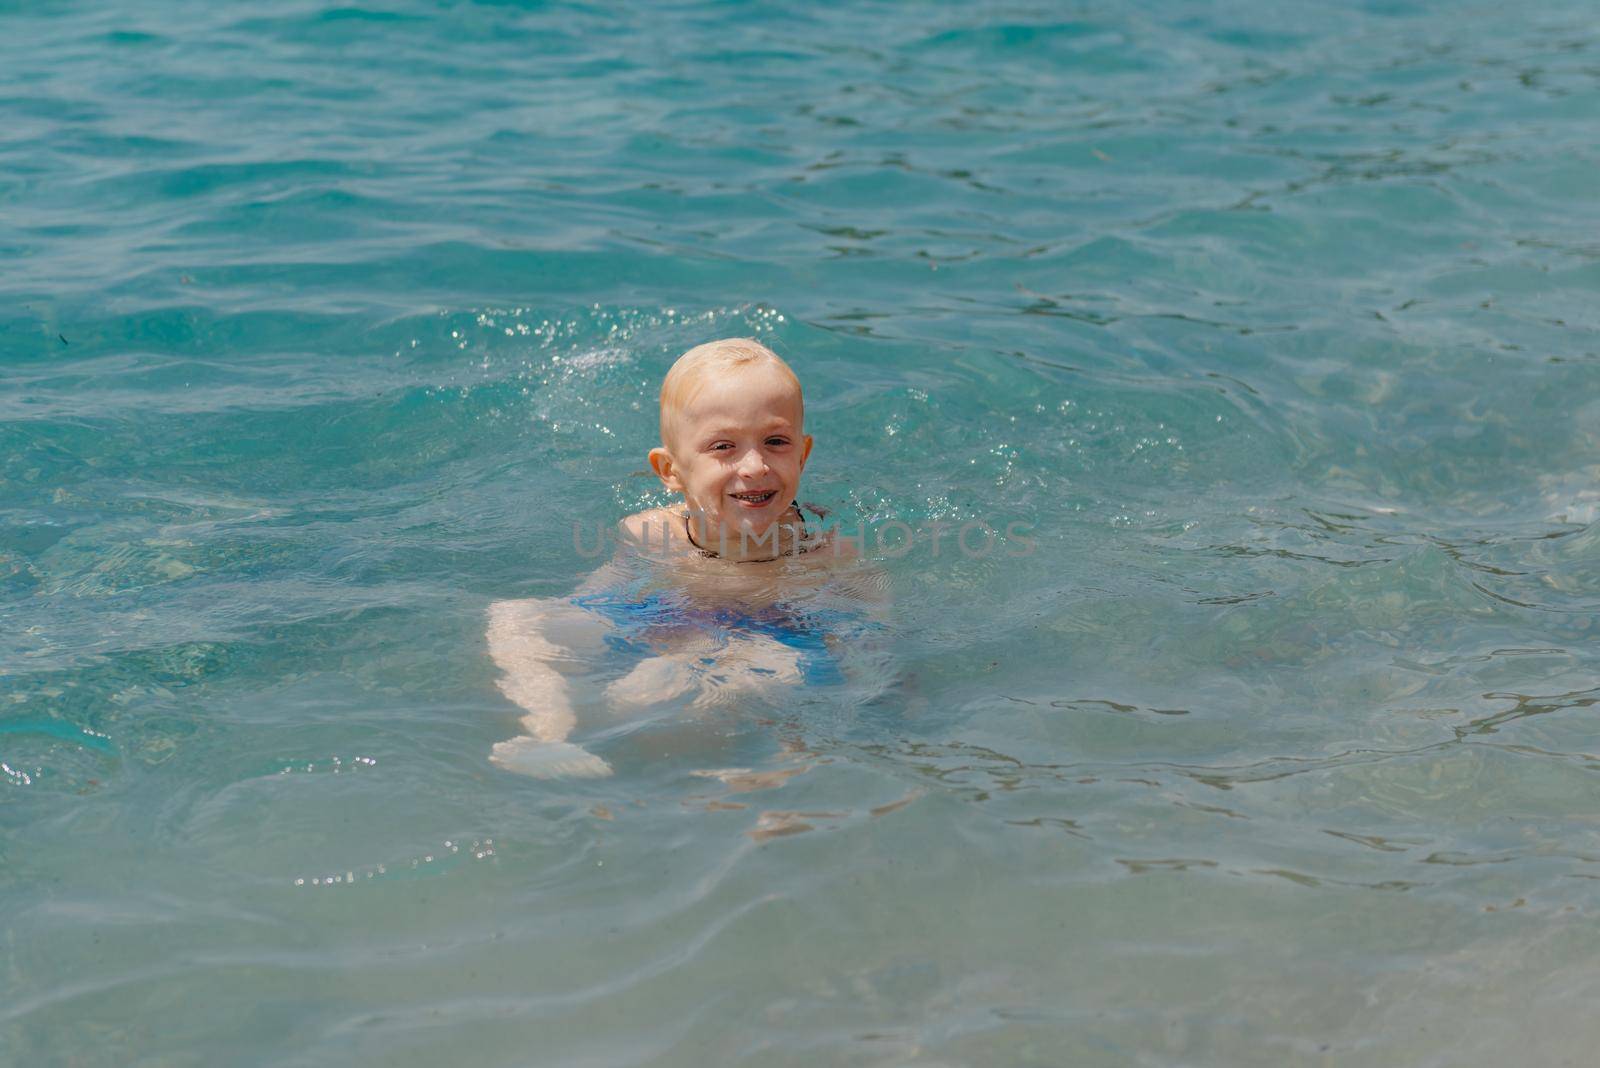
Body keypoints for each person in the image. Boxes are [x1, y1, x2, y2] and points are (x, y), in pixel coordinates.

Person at [486, 337, 880, 778]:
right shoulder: (650, 535)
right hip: (671, 620)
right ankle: (549, 732)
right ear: (670, 471)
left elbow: (872, 644)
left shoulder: (827, 554)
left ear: (803, 455)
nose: (754, 466)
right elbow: (598, 605)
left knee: (754, 672)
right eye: (723, 447)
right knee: (515, 619)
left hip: (771, 637)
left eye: (775, 441)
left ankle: (756, 771)